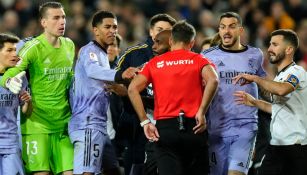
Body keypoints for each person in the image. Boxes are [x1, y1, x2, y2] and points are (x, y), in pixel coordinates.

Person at [128, 21, 218, 175]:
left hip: (166, 130)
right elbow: (213, 80)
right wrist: (202, 111)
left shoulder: (155, 63)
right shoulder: (199, 60)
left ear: (171, 41)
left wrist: (145, 121)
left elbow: (132, 89)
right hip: (194, 128)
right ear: (192, 43)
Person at [0, 2, 75, 174]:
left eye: (63, 17)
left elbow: (70, 81)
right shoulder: (32, 48)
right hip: (37, 126)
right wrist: (9, 82)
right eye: (56, 18)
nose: (62, 22)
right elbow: (7, 73)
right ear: (43, 22)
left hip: (63, 125)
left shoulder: (69, 45)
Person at [69, 10, 138, 175]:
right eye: (107, 27)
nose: (112, 31)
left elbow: (108, 84)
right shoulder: (88, 51)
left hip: (100, 126)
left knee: (113, 170)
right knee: (86, 172)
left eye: (115, 27)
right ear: (95, 30)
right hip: (88, 124)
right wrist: (121, 75)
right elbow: (93, 70)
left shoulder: (102, 55)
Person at [233, 29, 307, 175]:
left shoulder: (297, 71)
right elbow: (277, 109)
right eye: (270, 44)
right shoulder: (280, 76)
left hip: (296, 146)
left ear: (289, 49)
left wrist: (255, 78)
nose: (270, 49)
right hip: (276, 145)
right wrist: (255, 102)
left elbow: (282, 90)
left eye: (275, 45)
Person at [201, 12, 266, 175]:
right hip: (217, 128)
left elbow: (264, 83)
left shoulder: (256, 54)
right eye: (223, 27)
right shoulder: (207, 56)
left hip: (245, 126)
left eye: (232, 26)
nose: (227, 31)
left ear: (241, 30)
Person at [116, 13, 176, 175]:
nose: (162, 34)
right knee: (137, 164)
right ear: (151, 31)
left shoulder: (180, 59)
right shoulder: (133, 54)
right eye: (159, 29)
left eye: (168, 30)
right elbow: (115, 81)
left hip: (168, 123)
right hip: (136, 122)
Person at [0, 33, 31, 175]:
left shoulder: (19, 77)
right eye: (9, 50)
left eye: (15, 50)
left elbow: (26, 112)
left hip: (10, 144)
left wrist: (27, 102)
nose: (15, 54)